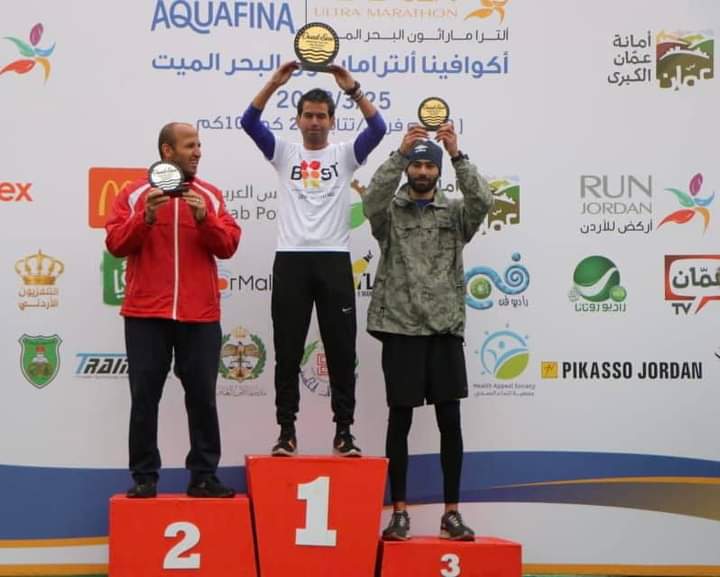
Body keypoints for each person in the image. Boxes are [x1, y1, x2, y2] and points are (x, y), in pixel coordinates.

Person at [240, 61, 386, 457]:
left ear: (332, 121)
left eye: (322, 116)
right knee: (287, 352)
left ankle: (344, 432)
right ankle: (286, 431)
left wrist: (353, 89)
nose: (315, 122)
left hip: (333, 262)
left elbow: (378, 129)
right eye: (308, 115)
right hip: (292, 262)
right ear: (298, 120)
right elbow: (248, 122)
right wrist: (274, 82)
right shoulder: (284, 152)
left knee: (341, 352)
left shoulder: (345, 155)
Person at [362, 124, 493, 540]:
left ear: (438, 172)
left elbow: (483, 200)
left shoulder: (455, 214)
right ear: (408, 169)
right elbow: (371, 198)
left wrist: (457, 156)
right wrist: (398, 154)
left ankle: (451, 513)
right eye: (416, 165)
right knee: (399, 422)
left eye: (428, 166)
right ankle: (399, 512)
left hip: (443, 329)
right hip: (400, 327)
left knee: (449, 423)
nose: (421, 171)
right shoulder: (389, 214)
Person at [105, 122, 241, 498]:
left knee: (203, 399)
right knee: (144, 399)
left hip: (200, 316)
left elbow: (228, 245)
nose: (198, 152)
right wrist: (145, 218)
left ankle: (203, 476)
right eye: (190, 145)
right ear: (168, 151)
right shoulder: (135, 194)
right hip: (146, 315)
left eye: (199, 145)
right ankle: (144, 477)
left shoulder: (209, 196)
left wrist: (205, 219)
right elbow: (115, 244)